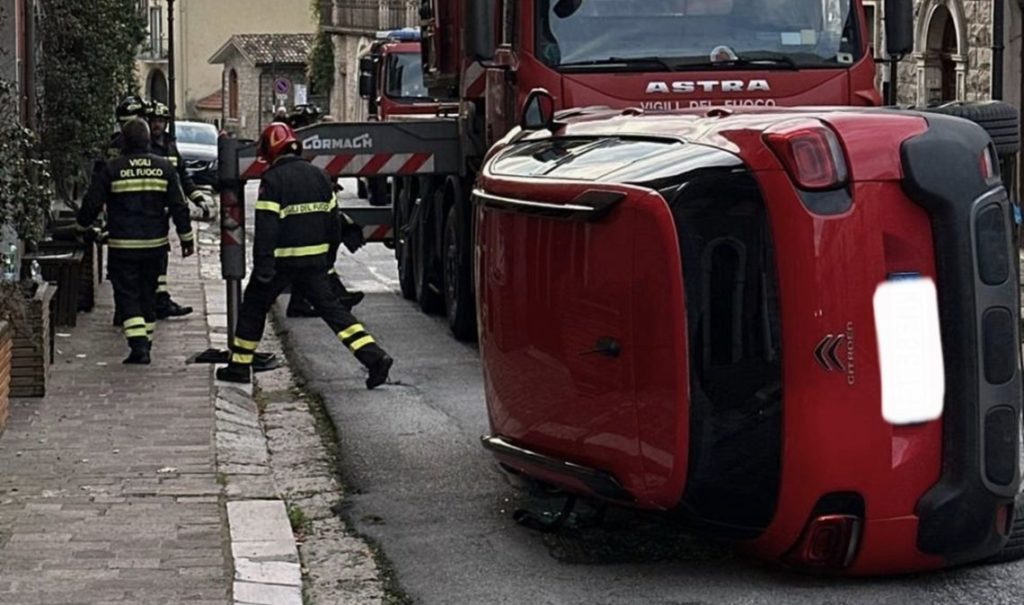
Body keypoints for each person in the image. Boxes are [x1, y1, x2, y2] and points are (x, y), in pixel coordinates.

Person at [216, 123, 393, 389]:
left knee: (253, 307)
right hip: (315, 264)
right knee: (334, 312)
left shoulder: (272, 180)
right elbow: (334, 224)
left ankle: (240, 366)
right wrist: (328, 261)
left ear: (270, 150)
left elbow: (267, 228)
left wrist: (263, 266)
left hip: (280, 264)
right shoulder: (321, 176)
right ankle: (375, 358)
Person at [78, 118, 194, 364]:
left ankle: (139, 345)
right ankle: (146, 342)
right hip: (155, 246)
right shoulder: (164, 167)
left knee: (127, 295)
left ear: (124, 142)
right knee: (148, 295)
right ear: (148, 140)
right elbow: (179, 206)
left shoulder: (111, 169)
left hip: (123, 246)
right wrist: (187, 239)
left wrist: (83, 224)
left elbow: (91, 205)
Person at [145, 101, 211, 319]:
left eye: (160, 121)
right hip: (148, 209)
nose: (157, 125)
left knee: (162, 256)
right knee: (152, 257)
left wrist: (199, 199)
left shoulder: (170, 146)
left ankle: (161, 300)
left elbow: (182, 178)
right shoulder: (143, 146)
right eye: (153, 121)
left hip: (165, 211)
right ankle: (152, 301)